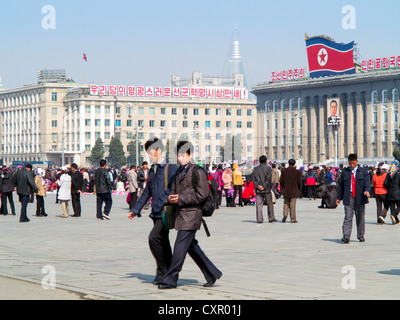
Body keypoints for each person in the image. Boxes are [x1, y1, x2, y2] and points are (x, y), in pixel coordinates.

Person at [158, 140, 222, 289]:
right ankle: (211, 273)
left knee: (180, 246)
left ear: (190, 155)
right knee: (191, 247)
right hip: (181, 214)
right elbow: (174, 190)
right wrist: (171, 198)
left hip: (192, 215)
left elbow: (202, 195)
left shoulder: (197, 172)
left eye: (183, 155)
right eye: (178, 155)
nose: (180, 158)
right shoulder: (179, 171)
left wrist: (180, 198)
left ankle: (170, 278)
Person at [128, 138, 178, 285]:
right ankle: (166, 272)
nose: (149, 156)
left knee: (153, 238)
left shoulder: (171, 167)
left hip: (166, 211)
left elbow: (175, 188)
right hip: (155, 212)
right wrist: (135, 209)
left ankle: (164, 272)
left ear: (159, 151)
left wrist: (169, 200)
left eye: (151, 152)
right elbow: (146, 192)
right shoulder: (153, 169)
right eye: (148, 153)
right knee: (163, 241)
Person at [337, 154, 371, 243]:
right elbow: (342, 186)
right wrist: (339, 198)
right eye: (350, 163)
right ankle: (346, 236)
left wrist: (367, 191)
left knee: (360, 217)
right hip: (349, 196)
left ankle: (360, 235)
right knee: (348, 217)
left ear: (357, 161)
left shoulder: (363, 171)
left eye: (353, 163)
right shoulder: (345, 171)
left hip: (360, 197)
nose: (352, 165)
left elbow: (367, 183)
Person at [252, 155, 276, 223]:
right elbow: (268, 179)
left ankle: (259, 219)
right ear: (266, 161)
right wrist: (264, 186)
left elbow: (253, 179)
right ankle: (271, 218)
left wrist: (258, 186)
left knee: (259, 205)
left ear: (259, 161)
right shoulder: (268, 168)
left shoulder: (255, 169)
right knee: (270, 204)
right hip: (266, 190)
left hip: (258, 190)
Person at [279, 159, 302, 223]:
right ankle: (293, 218)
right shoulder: (297, 172)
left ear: (288, 164)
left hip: (286, 190)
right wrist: (299, 189)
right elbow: (299, 182)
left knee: (286, 203)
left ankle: (285, 215)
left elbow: (281, 181)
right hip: (294, 190)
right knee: (292, 205)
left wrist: (283, 187)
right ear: (294, 164)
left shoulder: (284, 171)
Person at [383, 161, 400, 225]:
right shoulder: (398, 173)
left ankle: (395, 220)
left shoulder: (389, 174)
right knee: (399, 206)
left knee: (392, 206)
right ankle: (394, 215)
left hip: (390, 192)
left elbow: (385, 183)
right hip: (397, 192)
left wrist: (389, 188)